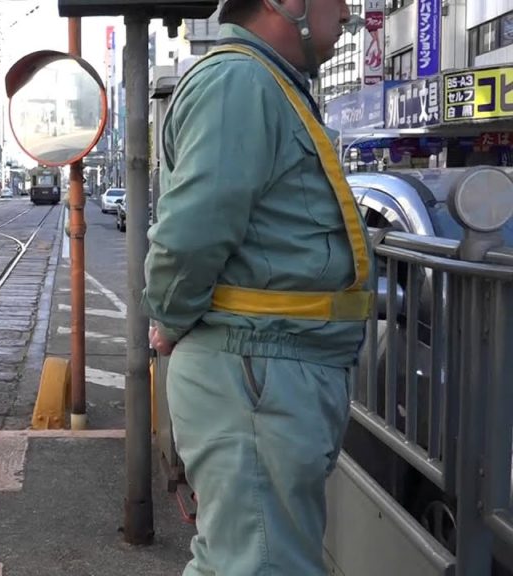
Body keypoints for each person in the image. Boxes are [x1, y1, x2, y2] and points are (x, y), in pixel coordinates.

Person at [142, 0, 370, 574]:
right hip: (257, 370)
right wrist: (169, 320)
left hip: (264, 370)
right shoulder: (241, 80)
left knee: (244, 560)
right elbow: (191, 233)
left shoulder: (262, 80)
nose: (347, 13)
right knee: (262, 563)